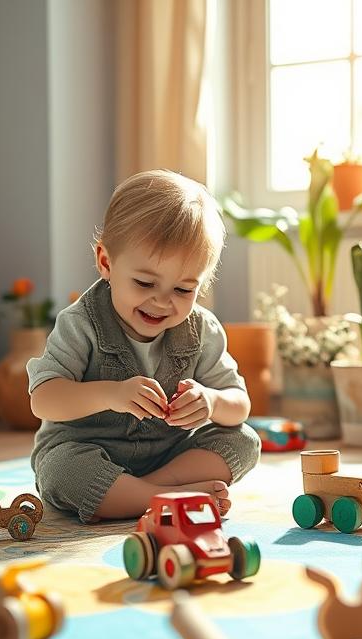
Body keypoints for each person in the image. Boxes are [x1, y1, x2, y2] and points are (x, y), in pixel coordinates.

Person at [27, 169, 261, 523]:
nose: (162, 302)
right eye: (144, 282)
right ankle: (162, 498)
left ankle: (143, 492)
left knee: (244, 441)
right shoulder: (81, 323)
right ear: (106, 263)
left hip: (168, 458)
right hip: (87, 451)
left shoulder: (201, 329)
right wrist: (111, 394)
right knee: (62, 471)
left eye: (183, 289)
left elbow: (238, 405)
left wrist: (211, 402)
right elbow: (43, 398)